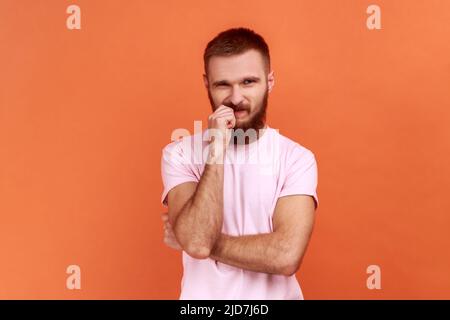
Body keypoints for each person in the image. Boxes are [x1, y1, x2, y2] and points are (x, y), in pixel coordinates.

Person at [160, 27, 319, 299]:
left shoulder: (297, 159)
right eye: (223, 84)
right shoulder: (180, 154)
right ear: (206, 84)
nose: (235, 98)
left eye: (248, 82)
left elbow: (286, 257)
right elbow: (196, 243)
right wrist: (217, 148)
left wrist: (201, 241)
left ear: (270, 81)